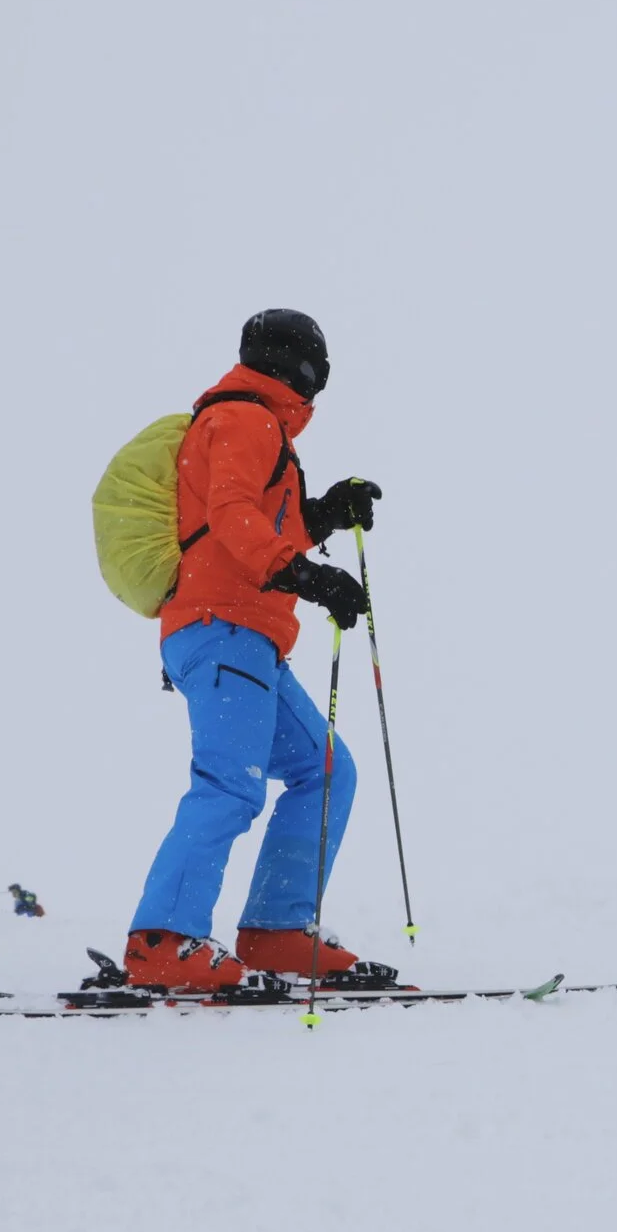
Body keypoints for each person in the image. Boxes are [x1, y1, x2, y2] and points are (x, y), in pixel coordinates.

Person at [124, 309, 389, 992]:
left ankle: (274, 929)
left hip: (248, 639)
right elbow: (234, 516)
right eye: (316, 371)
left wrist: (327, 512)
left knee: (327, 770)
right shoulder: (245, 417)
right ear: (298, 367)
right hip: (225, 629)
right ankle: (163, 940)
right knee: (229, 784)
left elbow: (269, 524)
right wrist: (310, 575)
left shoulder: (256, 425)